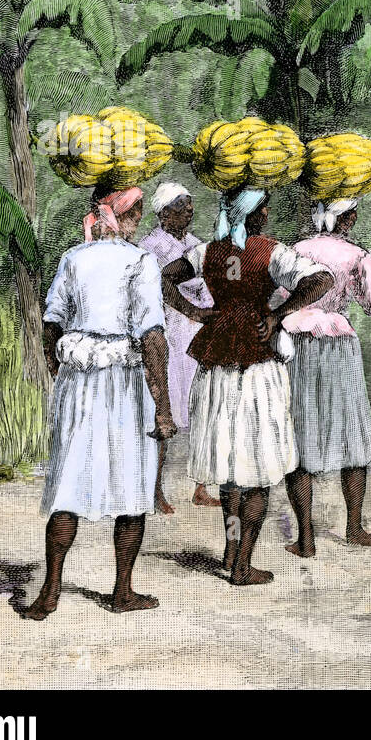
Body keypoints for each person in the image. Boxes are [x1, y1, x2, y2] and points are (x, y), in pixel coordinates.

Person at [161, 188, 333, 585]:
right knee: (255, 467)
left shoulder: (208, 252)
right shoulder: (270, 252)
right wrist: (278, 314)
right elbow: (322, 279)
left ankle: (230, 549)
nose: (268, 213)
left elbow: (165, 277)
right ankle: (242, 565)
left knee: (229, 467)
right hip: (256, 365)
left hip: (217, 362)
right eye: (263, 208)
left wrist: (197, 312)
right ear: (253, 214)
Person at [25, 186, 177, 620]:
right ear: (121, 216)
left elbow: (51, 323)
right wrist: (162, 405)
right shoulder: (141, 261)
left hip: (79, 381)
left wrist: (63, 376)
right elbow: (152, 337)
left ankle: (51, 592)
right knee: (131, 486)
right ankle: (121, 592)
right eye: (137, 213)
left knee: (69, 483)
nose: (140, 220)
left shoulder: (74, 258)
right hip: (125, 383)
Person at [283, 198, 371, 550]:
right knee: (350, 431)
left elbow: (280, 298)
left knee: (301, 428)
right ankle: (354, 528)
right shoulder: (357, 255)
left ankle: (305, 537)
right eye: (351, 212)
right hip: (339, 344)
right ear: (342, 217)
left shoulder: (295, 250)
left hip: (299, 343)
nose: (355, 217)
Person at [139, 182, 219, 514]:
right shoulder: (150, 247)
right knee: (165, 410)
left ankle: (201, 487)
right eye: (182, 205)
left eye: (190, 205)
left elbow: (207, 289)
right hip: (168, 334)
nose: (189, 210)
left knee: (203, 410)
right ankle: (155, 490)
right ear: (164, 212)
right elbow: (153, 291)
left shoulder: (198, 246)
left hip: (195, 334)